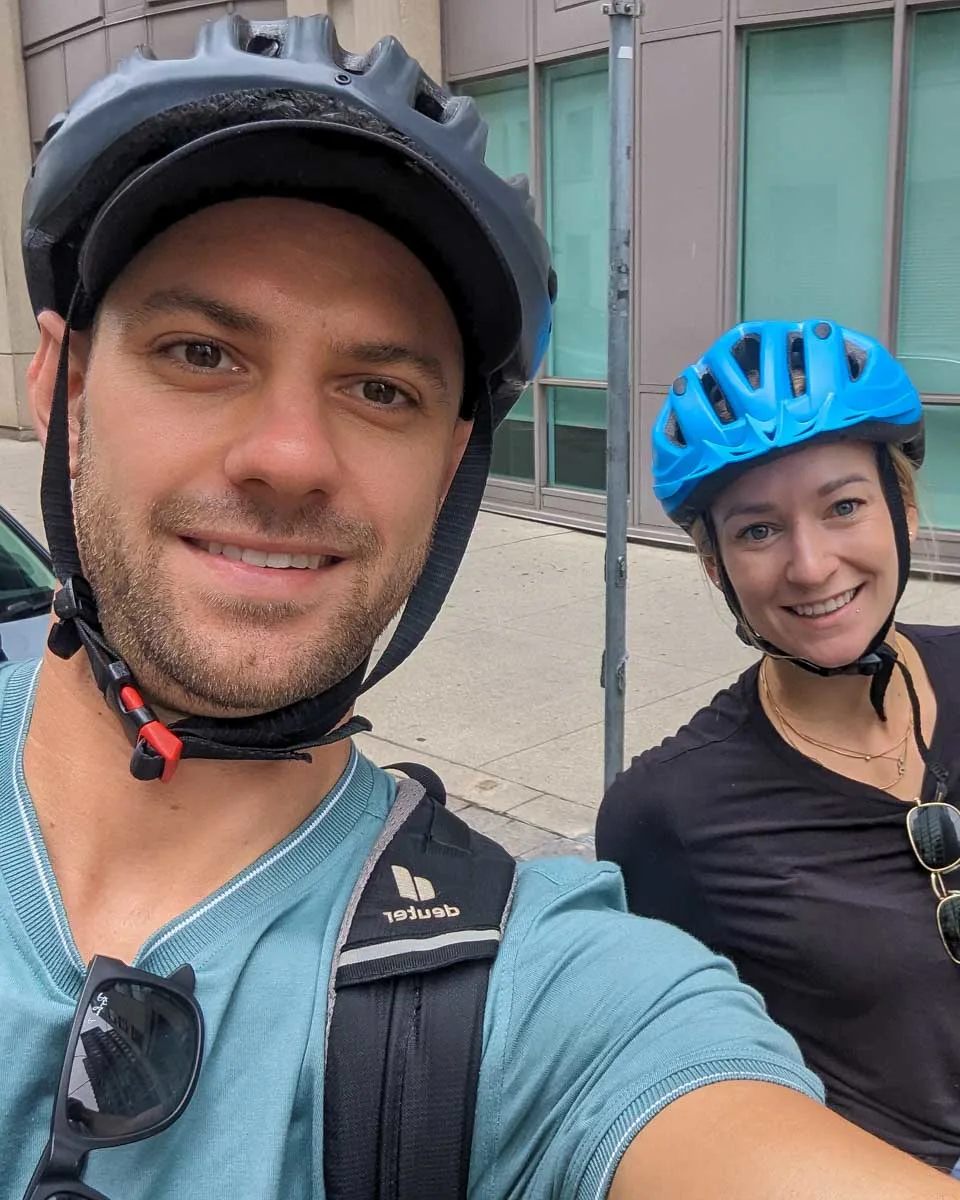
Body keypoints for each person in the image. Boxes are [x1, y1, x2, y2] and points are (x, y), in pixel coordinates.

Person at [3, 14, 957, 1195]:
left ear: (451, 472)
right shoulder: (669, 808)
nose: (291, 456)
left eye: (379, 385)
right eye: (202, 352)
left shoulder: (521, 981)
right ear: (64, 387)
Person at [598, 316, 960, 1177]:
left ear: (902, 509)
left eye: (843, 506)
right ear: (715, 564)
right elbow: (669, 1079)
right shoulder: (669, 812)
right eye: (758, 530)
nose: (809, 565)